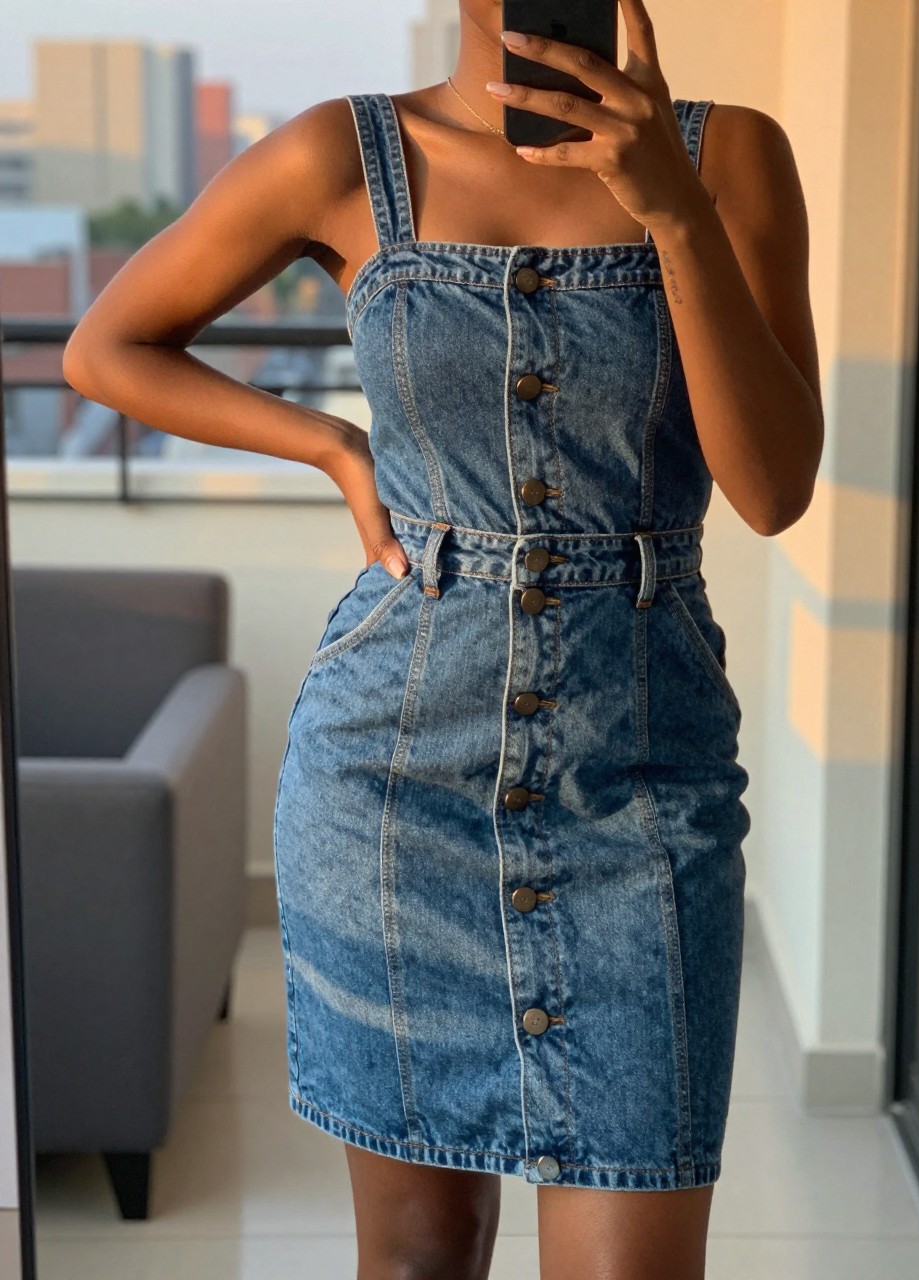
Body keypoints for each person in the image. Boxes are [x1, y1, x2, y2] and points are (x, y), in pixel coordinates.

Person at [62, 2, 823, 1276]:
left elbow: (774, 487)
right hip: (389, 784)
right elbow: (106, 345)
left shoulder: (731, 155)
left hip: (639, 789)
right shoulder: (343, 156)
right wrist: (330, 444)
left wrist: (671, 206)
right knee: (419, 1259)